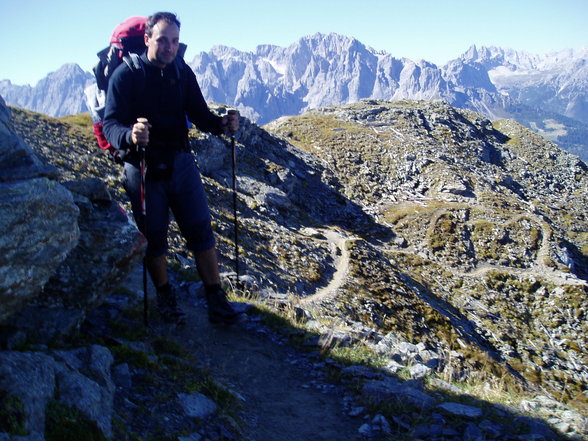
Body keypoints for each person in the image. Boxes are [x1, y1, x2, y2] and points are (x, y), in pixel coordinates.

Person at [103, 11, 240, 325]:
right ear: (148, 39)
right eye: (163, 40)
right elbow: (111, 124)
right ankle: (166, 298)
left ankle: (216, 300)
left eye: (175, 41)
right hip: (143, 168)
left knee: (201, 230)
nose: (169, 47)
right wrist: (129, 135)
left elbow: (200, 115)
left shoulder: (181, 71)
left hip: (180, 161)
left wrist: (222, 125)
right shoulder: (125, 76)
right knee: (155, 238)